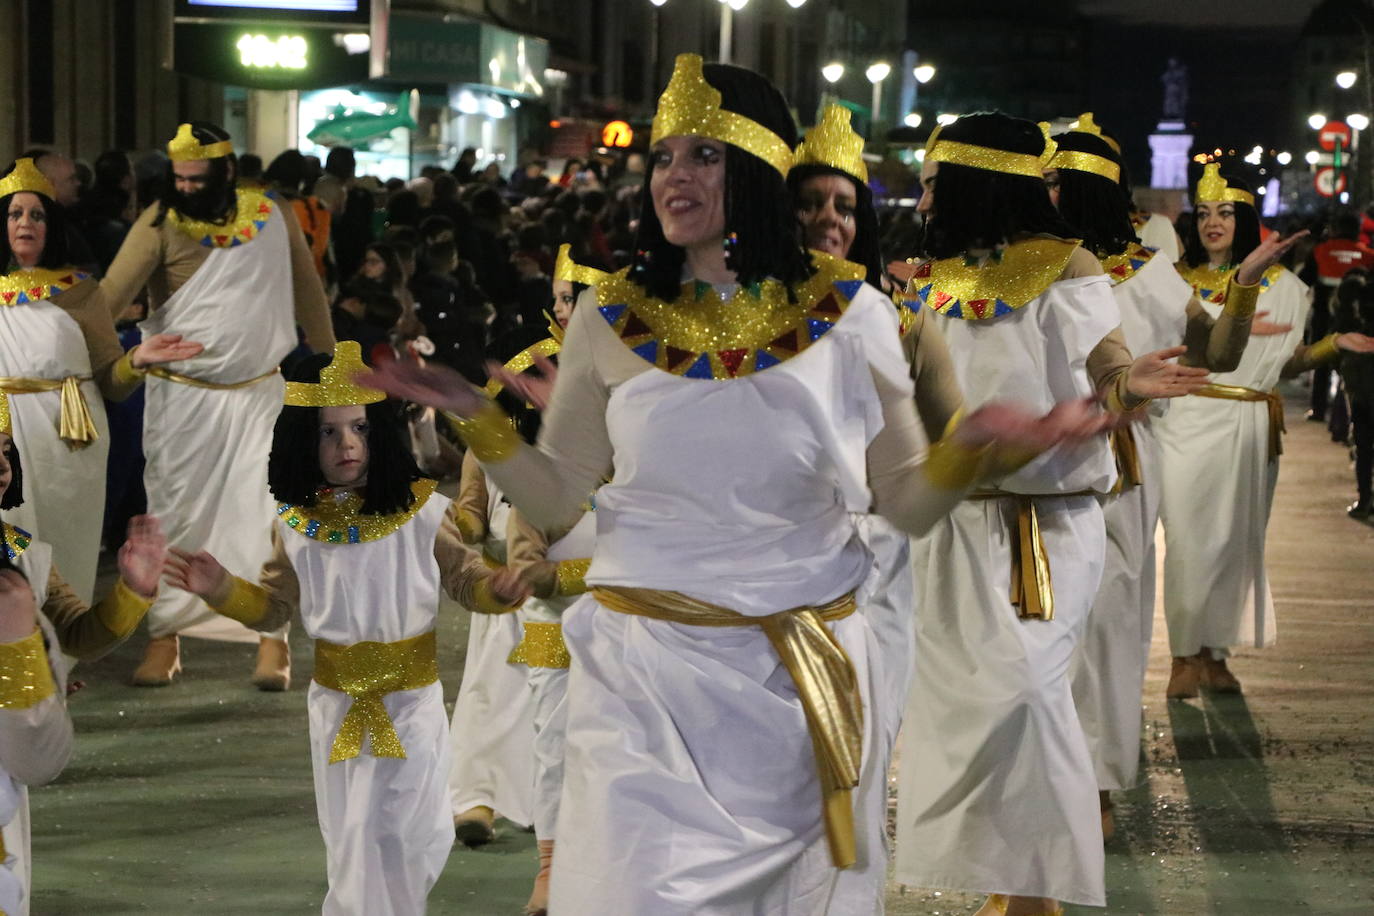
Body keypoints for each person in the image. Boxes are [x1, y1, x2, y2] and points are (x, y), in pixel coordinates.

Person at [364, 56, 1119, 915]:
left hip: (792, 689)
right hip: (641, 680)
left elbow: (904, 501)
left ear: (757, 168)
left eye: (704, 156)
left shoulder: (851, 313)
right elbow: (560, 498)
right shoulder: (611, 317)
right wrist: (480, 421)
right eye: (663, 155)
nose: (674, 175)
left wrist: (977, 449)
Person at [892, 112, 1214, 916]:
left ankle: (1041, 892)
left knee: (1027, 694)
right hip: (957, 523)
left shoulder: (1065, 262)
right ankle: (1012, 883)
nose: (922, 198)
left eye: (933, 182)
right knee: (967, 710)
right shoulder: (932, 275)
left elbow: (1106, 368)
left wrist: (1129, 385)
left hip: (1050, 526)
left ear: (971, 180)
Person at [164, 341, 527, 915]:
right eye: (328, 433)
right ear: (303, 443)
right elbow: (275, 609)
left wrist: (499, 590)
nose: (347, 444)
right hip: (335, 711)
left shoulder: (422, 513)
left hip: (411, 706)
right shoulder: (297, 526)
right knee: (353, 840)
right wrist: (220, 589)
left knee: (403, 838)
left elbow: (466, 579)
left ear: (379, 432)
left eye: (358, 427)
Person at [1045, 117, 1300, 838]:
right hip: (1038, 468)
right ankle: (1046, 773)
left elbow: (1215, 352)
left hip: (1123, 473)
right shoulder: (1028, 268)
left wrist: (1244, 287)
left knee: (1111, 626)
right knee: (1042, 631)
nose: (1044, 191)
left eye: (1055, 180)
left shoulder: (1146, 271)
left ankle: (1094, 783)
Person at [97, 122, 334, 690]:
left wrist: (334, 365)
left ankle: (271, 640)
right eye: (178, 178)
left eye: (197, 178)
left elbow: (308, 292)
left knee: (265, 518)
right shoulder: (158, 222)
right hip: (183, 400)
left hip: (260, 393)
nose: (186, 187)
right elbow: (106, 301)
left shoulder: (271, 215)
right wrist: (130, 351)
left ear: (227, 172)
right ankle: (165, 636)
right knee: (175, 518)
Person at [790, 104, 962, 807]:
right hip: (776, 564)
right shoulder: (729, 315)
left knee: (863, 745)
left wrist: (1018, 439)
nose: (832, 218)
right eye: (811, 203)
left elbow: (948, 426)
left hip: (878, 565)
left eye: (846, 205)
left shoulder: (899, 315)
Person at [1159, 165, 1374, 697]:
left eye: (1226, 214)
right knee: (1188, 542)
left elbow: (1284, 363)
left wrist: (1332, 346)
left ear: (1247, 220)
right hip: (1189, 419)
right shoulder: (1173, 282)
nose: (1213, 223)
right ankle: (1183, 655)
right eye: (1205, 213)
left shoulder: (1289, 288)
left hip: (1253, 425)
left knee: (1236, 543)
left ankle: (1216, 654)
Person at [0, 159, 198, 605]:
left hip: (67, 437)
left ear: (53, 225)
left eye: (37, 214)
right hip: (4, 436)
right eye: (15, 214)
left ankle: (62, 650)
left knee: (62, 539)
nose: (26, 223)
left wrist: (138, 359)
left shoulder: (82, 291)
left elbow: (112, 381)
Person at [0, 391, 167, 916]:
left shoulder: (20, 552)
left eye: (4, 450)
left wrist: (132, 591)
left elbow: (75, 632)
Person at [1305, 211, 1374, 422]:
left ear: (1334, 229)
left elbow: (1304, 281)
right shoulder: (1368, 255)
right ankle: (1349, 416)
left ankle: (1318, 410)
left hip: (1324, 317)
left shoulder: (1319, 251)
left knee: (1321, 362)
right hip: (1358, 321)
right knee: (1357, 369)